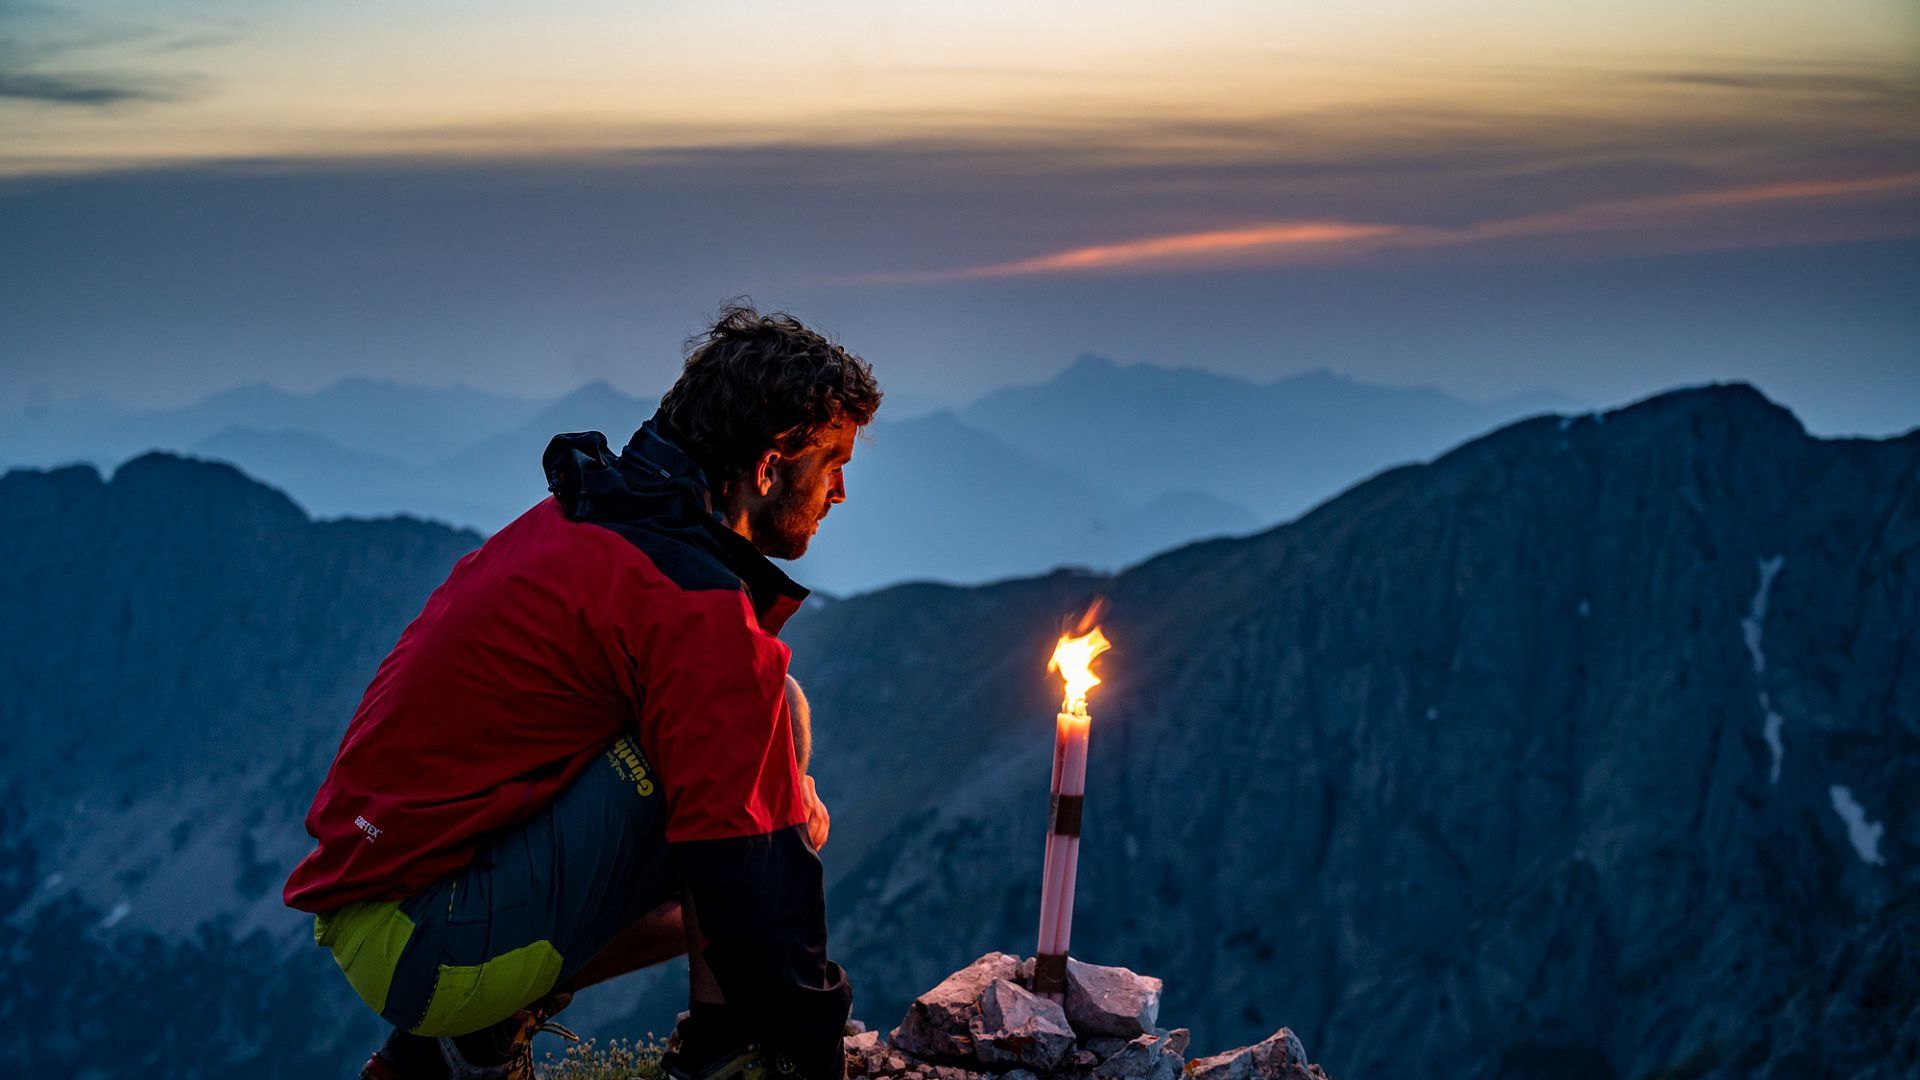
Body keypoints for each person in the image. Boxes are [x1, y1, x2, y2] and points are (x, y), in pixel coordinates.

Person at [282, 304, 880, 1080]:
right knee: (759, 784)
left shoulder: (588, 518)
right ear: (768, 468)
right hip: (433, 942)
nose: (839, 494)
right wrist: (809, 1036)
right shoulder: (689, 603)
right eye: (832, 466)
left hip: (380, 903)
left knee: (770, 728)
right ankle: (728, 1052)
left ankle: (459, 1043)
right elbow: (745, 873)